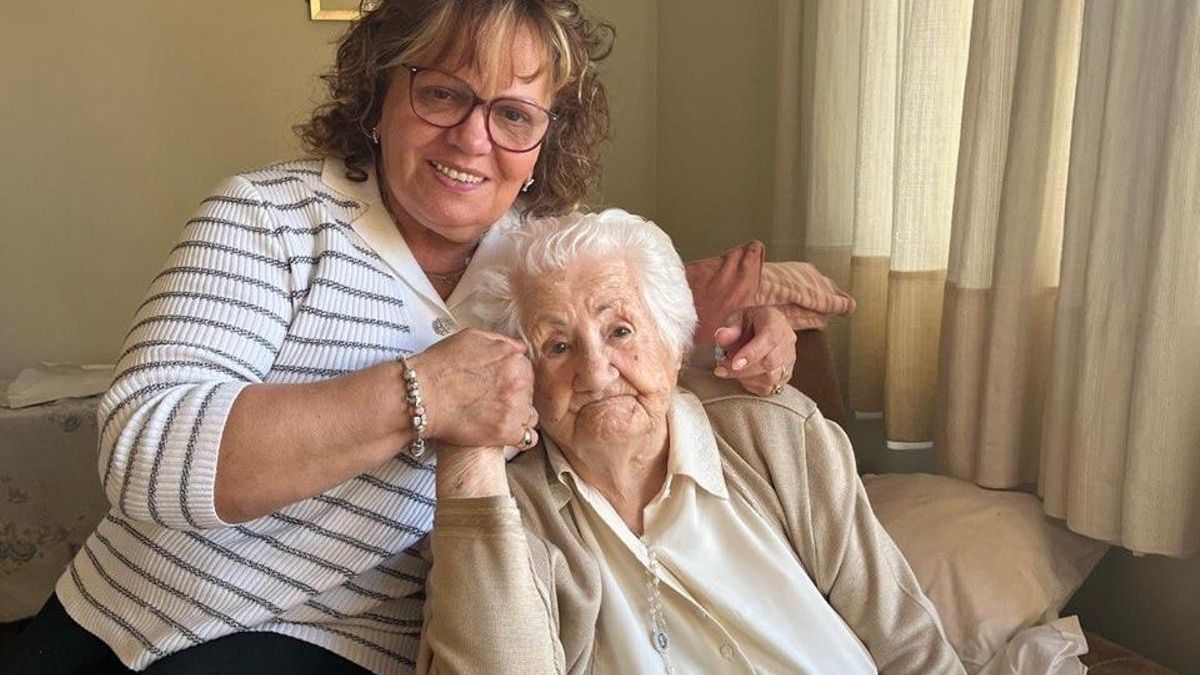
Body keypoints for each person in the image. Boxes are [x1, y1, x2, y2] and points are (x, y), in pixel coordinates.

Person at [0, 1, 856, 674]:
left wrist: (755, 332)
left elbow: (636, 354)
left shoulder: (542, 262)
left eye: (515, 115)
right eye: (443, 92)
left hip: (349, 639)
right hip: (124, 606)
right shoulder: (267, 218)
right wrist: (425, 394)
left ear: (544, 138)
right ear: (380, 95)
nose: (474, 140)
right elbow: (146, 452)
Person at [418, 209, 964, 675]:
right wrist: (471, 445)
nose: (596, 372)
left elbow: (908, 642)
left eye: (620, 331)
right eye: (557, 346)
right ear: (525, 376)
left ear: (675, 342)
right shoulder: (511, 515)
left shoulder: (776, 435)